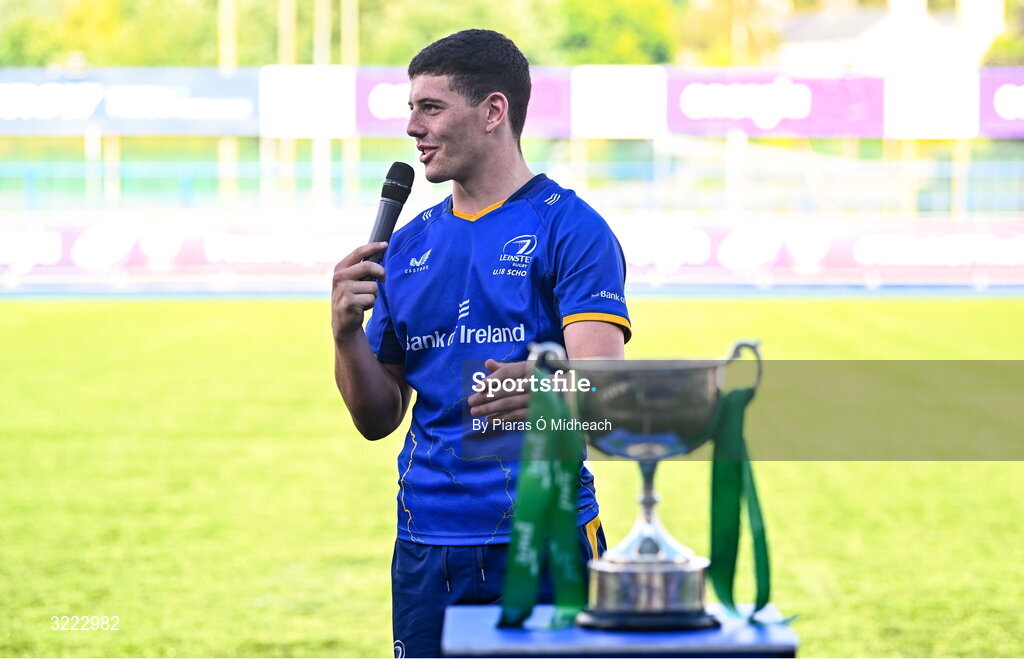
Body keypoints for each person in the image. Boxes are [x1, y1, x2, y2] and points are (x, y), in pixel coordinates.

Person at [330, 29, 631, 658]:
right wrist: (344, 335)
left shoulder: (569, 227)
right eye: (410, 108)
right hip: (427, 540)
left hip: (547, 537)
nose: (413, 127)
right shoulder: (404, 246)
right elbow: (377, 417)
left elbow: (607, 390)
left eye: (431, 107)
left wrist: (549, 385)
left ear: (494, 111)